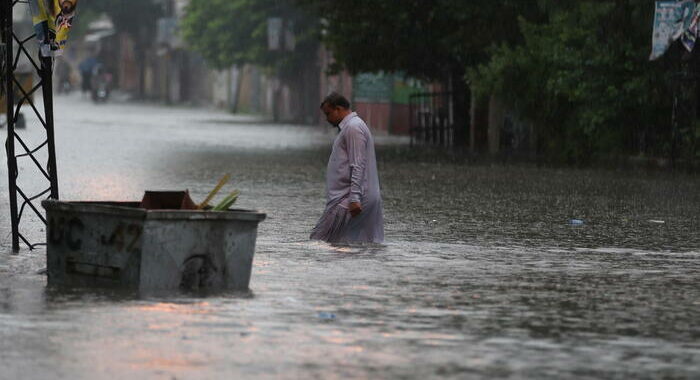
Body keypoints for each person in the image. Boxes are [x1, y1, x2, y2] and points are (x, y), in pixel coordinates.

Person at [310, 92, 384, 244]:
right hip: (352, 197)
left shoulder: (353, 128)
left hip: (349, 198)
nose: (327, 119)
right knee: (352, 244)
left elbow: (358, 164)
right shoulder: (352, 127)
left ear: (338, 109)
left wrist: (355, 198)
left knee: (318, 239)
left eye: (328, 113)